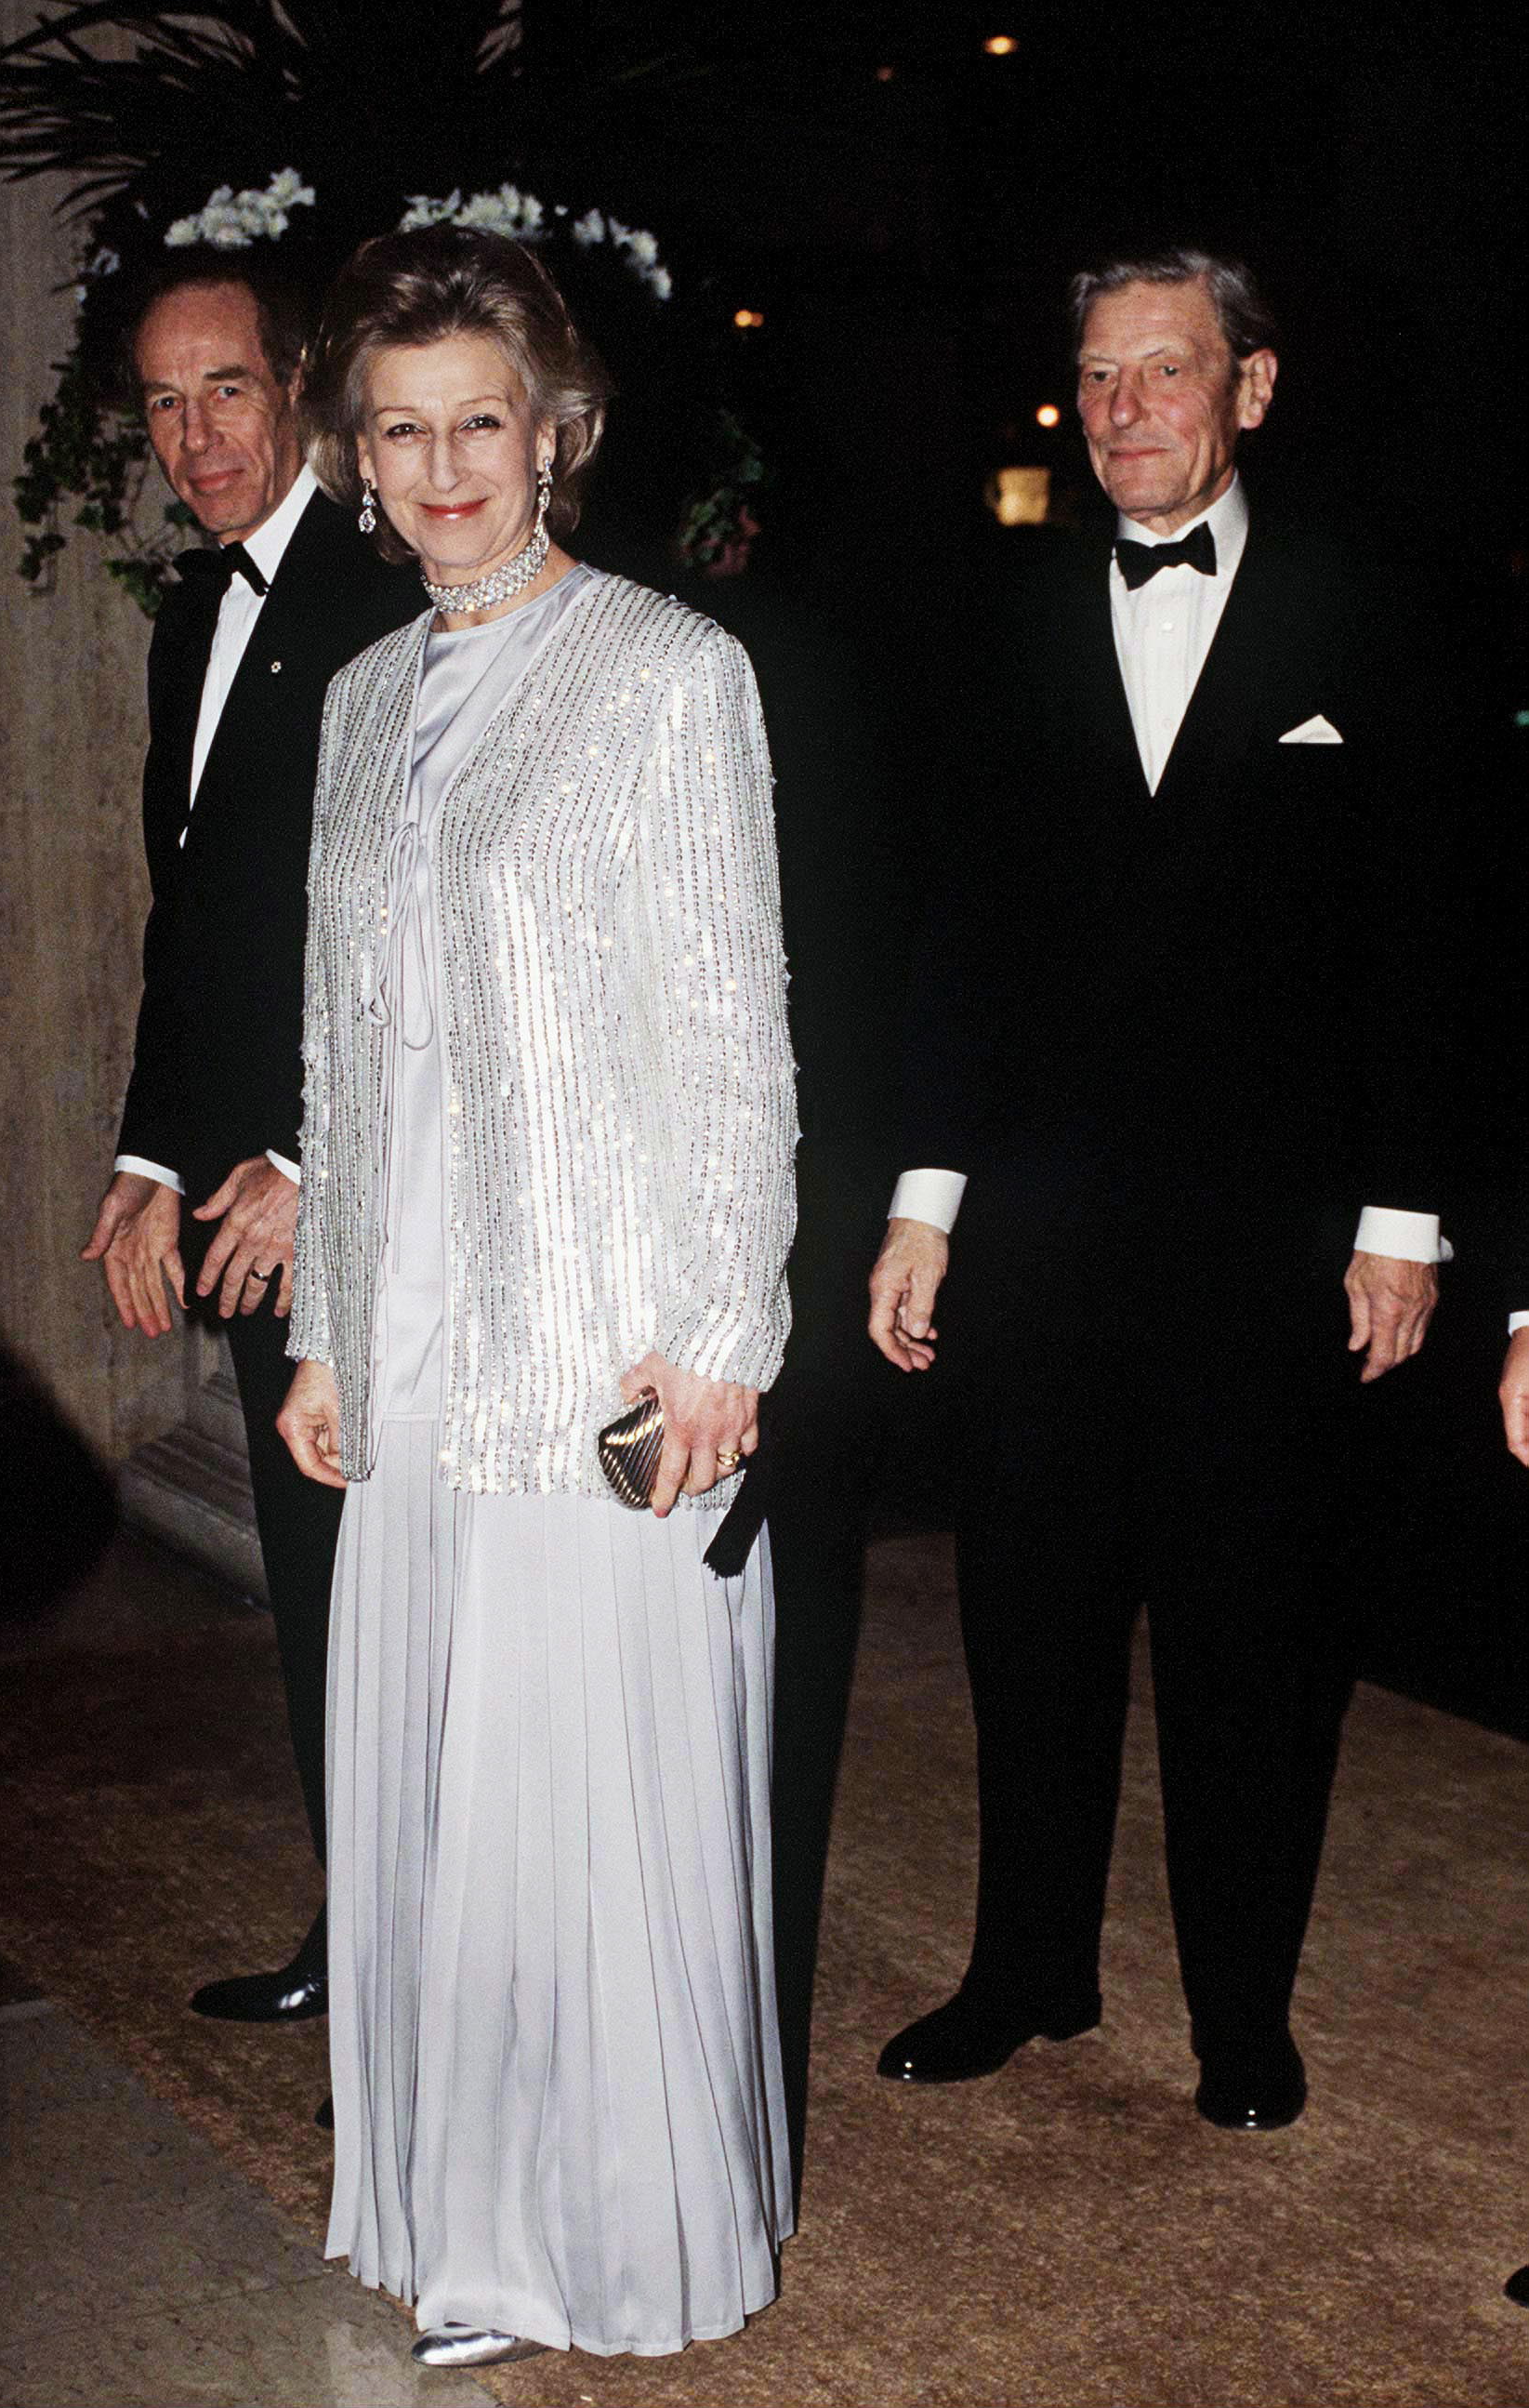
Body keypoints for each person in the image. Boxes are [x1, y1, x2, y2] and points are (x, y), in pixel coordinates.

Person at [276, 225, 797, 2370]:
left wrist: (725, 1334)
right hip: (412, 1329)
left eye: (478, 422)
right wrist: (321, 1315)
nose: (443, 464)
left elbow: (736, 1031)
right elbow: (340, 1036)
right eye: (400, 433)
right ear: (359, 462)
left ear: (555, 429)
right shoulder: (359, 697)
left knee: (579, 1798)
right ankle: (457, 2204)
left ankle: (589, 2231)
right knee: (438, 1790)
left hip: (604, 1330)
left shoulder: (673, 674)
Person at [867, 247, 1451, 2130]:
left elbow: (1443, 941)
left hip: (1266, 1240)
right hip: (1035, 1229)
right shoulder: (1001, 607)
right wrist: (924, 1197)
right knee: (1026, 1613)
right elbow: (951, 928)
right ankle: (1027, 1964)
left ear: (1251, 389)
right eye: (1099, 375)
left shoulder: (1374, 611)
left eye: (1164, 372)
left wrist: (1403, 1218)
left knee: (1247, 1640)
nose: (1124, 408)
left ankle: (1239, 2010)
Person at [80, 252, 418, 2029]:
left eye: (224, 388)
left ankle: (419, 1965)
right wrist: (151, 1150)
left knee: (387, 1589)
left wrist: (305, 1148)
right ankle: (365, 1935)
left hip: (362, 1182)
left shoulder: (387, 595)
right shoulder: (188, 616)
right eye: (160, 399)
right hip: (233, 1189)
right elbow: (195, 918)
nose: (194, 433)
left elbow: (405, 928)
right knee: (315, 1583)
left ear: (294, 386)